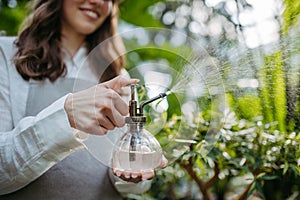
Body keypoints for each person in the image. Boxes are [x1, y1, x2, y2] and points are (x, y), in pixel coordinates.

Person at [0, 0, 167, 199]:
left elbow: (129, 184)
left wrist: (132, 171)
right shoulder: (7, 54)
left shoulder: (115, 73)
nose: (97, 1)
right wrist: (66, 118)